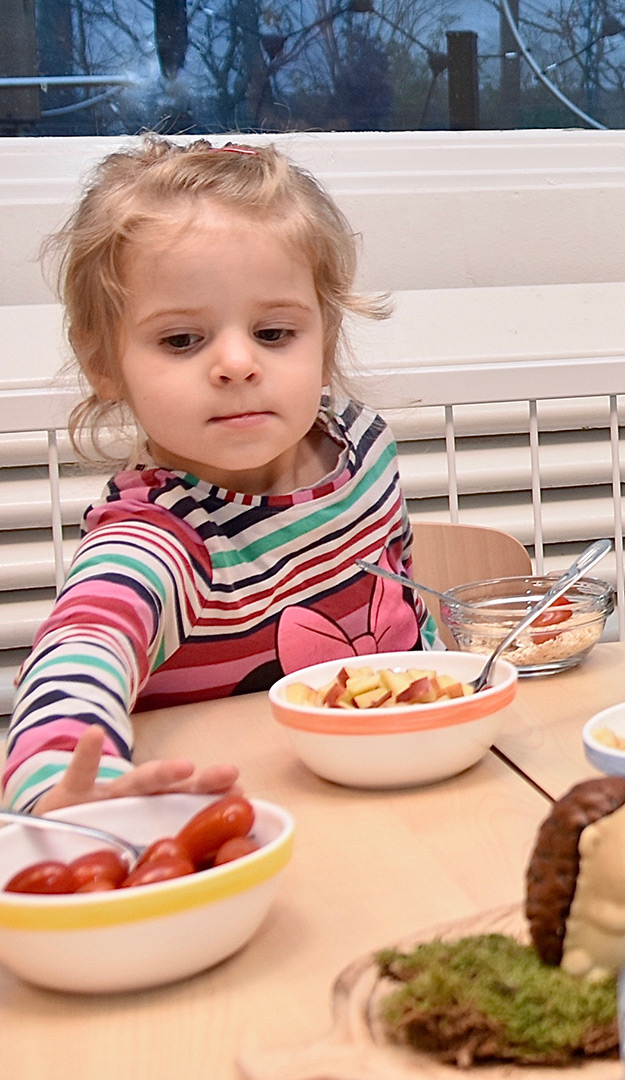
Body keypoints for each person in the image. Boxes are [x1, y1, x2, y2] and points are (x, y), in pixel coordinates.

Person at [5, 138, 437, 813]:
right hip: (237, 828)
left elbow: (409, 619)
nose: (237, 364)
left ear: (324, 338)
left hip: (403, 792)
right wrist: (58, 788)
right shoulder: (161, 538)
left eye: (273, 334)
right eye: (182, 340)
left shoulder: (364, 447)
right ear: (104, 364)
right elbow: (78, 653)